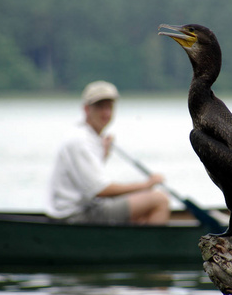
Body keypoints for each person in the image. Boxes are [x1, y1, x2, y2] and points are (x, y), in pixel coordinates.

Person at [46, 80, 170, 225]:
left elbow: (88, 182)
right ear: (86, 109)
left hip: (83, 208)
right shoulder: (80, 140)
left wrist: (103, 155)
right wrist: (147, 184)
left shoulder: (89, 137)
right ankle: (151, 248)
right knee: (159, 200)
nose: (106, 113)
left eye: (109, 107)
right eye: (100, 107)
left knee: (144, 207)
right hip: (75, 215)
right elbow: (100, 190)